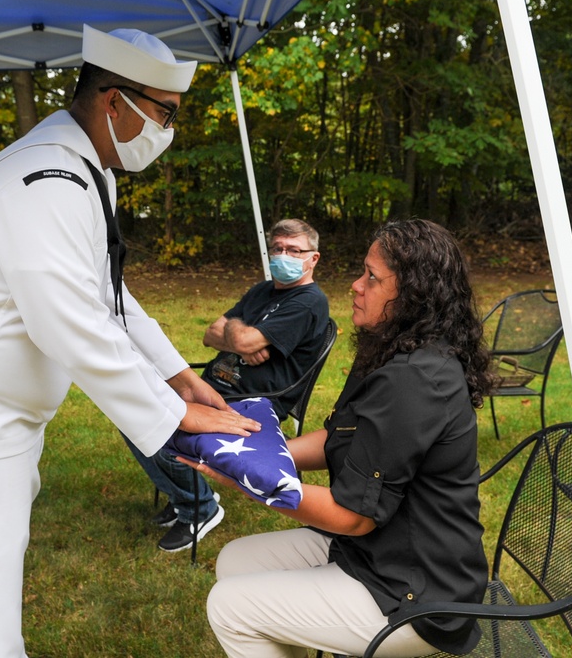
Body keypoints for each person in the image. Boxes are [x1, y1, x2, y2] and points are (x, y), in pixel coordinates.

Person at [0, 26, 260, 658]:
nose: (168, 131)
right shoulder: (47, 178)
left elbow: (109, 297)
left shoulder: (85, 169)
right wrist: (172, 416)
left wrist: (178, 376)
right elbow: (67, 322)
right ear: (115, 102)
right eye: (165, 114)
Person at [184, 219, 496, 658]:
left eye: (372, 276)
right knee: (233, 560)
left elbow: (354, 516)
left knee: (229, 607)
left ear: (414, 293)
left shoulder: (414, 381)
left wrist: (258, 483)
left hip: (415, 592)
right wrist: (251, 450)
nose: (355, 285)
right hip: (375, 552)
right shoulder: (394, 350)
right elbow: (338, 437)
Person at [126, 218, 331, 553]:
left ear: (313, 258)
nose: (283, 255)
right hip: (212, 387)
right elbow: (211, 333)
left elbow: (241, 337)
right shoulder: (262, 291)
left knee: (151, 421)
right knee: (129, 409)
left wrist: (237, 334)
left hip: (251, 400)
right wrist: (241, 338)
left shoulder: (309, 301)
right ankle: (183, 493)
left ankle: (199, 508)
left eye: (294, 250)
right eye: (277, 248)